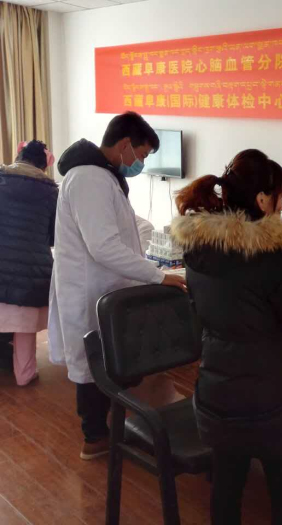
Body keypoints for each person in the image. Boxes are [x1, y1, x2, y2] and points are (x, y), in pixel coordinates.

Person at [172, 149, 282, 525]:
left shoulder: (199, 247)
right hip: (274, 404)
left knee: (226, 490)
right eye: (280, 197)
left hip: (218, 396)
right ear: (262, 200)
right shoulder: (273, 258)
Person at [48, 112, 186, 460]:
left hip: (103, 286)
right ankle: (94, 437)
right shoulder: (89, 179)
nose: (141, 163)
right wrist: (157, 275)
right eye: (141, 154)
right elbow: (104, 246)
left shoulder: (101, 176)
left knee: (106, 364)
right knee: (92, 366)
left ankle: (108, 430)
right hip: (89, 289)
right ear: (125, 144)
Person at [0, 140, 58, 385]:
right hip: (32, 272)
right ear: (43, 165)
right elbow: (54, 235)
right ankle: (24, 375)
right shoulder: (52, 192)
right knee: (24, 327)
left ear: (19, 157)